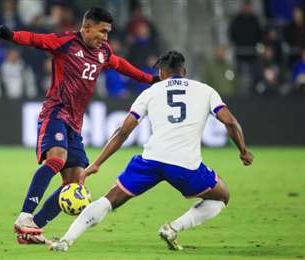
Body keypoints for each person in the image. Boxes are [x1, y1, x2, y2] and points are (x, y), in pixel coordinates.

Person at [49, 50, 254, 252]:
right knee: (221, 196)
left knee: (109, 200)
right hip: (185, 164)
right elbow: (231, 122)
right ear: (184, 71)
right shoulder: (205, 90)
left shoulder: (150, 92)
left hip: (151, 161)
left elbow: (123, 132)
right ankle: (173, 228)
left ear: (162, 74)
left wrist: (96, 164)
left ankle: (66, 240)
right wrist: (243, 151)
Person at [0, 7, 159, 244]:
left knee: (75, 182)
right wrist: (11, 36)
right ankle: (24, 217)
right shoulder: (67, 42)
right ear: (87, 27)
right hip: (56, 111)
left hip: (75, 124)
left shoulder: (103, 52)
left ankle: (32, 230)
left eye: (108, 33)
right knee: (57, 158)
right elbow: (36, 40)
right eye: (102, 31)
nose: (105, 37)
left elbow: (120, 64)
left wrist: (150, 80)